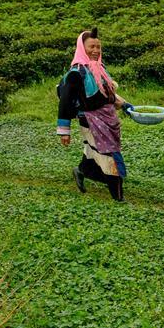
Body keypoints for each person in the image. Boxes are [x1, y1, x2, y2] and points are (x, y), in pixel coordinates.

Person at [57, 28, 134, 202]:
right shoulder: (76, 74)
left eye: (98, 47)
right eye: (91, 46)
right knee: (109, 154)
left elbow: (109, 95)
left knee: (94, 151)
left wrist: (127, 106)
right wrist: (64, 130)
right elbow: (65, 102)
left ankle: (83, 170)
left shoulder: (100, 68)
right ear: (82, 48)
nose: (96, 51)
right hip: (91, 120)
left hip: (107, 118)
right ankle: (118, 197)